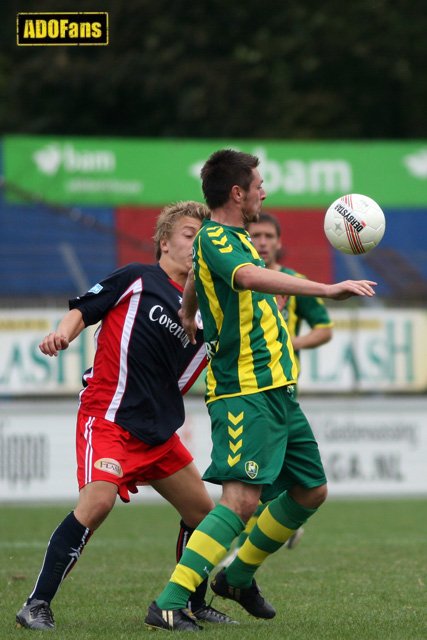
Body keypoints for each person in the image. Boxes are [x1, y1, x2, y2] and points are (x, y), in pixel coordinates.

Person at [144, 149, 377, 632]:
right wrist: (327, 288)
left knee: (311, 490)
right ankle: (168, 601)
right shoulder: (215, 237)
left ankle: (238, 577)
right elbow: (245, 278)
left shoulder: (232, 240)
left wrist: (188, 310)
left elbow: (206, 279)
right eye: (259, 184)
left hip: (278, 390)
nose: (264, 191)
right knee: (240, 501)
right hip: (245, 389)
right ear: (238, 192)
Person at [15, 201, 236, 631]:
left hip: (156, 431)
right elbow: (84, 307)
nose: (197, 244)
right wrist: (63, 332)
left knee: (203, 515)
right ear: (165, 241)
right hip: (110, 416)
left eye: (202, 238)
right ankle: (36, 603)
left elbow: (195, 372)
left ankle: (191, 601)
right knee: (97, 503)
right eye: (190, 235)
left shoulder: (206, 310)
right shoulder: (139, 277)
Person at [224, 212, 334, 554]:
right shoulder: (235, 279)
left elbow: (324, 328)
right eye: (255, 234)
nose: (262, 241)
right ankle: (277, 526)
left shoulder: (295, 282)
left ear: (278, 242)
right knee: (259, 481)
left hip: (282, 389)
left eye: (269, 235)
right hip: (246, 388)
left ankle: (244, 553)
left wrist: (291, 342)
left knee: (258, 479)